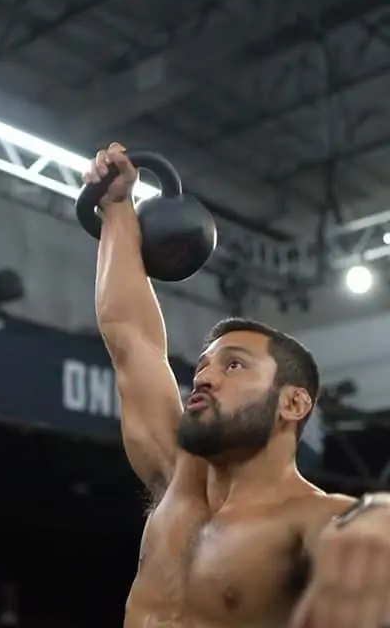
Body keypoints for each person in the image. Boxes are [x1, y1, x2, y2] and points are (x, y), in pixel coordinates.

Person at [85, 143, 390, 628]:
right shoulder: (177, 479)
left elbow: (368, 538)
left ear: (293, 403)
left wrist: (379, 516)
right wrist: (118, 206)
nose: (204, 377)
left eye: (233, 366)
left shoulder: (316, 520)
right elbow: (130, 336)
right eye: (203, 367)